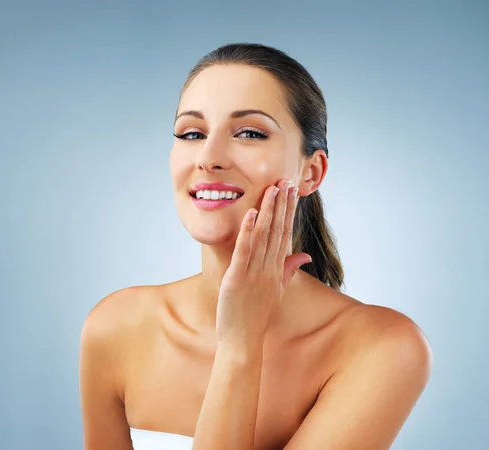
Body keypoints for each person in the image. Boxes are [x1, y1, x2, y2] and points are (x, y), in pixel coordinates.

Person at [79, 43, 433, 450]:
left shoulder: (383, 348)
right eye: (191, 133)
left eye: (250, 133)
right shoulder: (115, 328)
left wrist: (240, 345)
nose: (208, 158)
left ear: (311, 173)